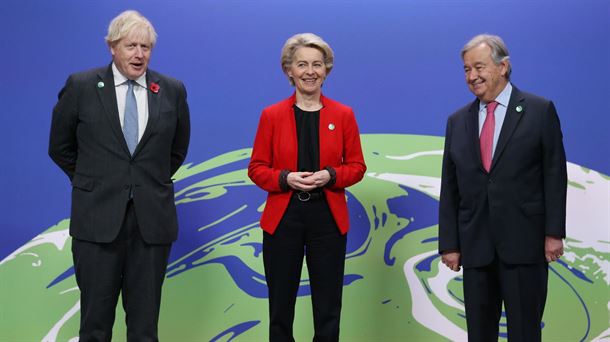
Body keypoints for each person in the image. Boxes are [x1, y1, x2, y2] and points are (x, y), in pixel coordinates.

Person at [48, 10, 190, 341]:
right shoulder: (81, 86)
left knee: (144, 328)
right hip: (97, 221)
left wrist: (143, 183)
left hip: (151, 224)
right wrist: (93, 180)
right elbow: (60, 146)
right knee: (95, 325)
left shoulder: (171, 90)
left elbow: (177, 150)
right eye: (131, 46)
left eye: (146, 47)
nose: (139, 54)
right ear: (113, 47)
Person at [438, 34, 567, 341]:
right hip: (476, 247)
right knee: (479, 334)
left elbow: (554, 174)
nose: (472, 76)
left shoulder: (539, 110)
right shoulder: (457, 121)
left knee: (524, 332)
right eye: (467, 69)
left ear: (504, 67)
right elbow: (451, 186)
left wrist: (553, 233)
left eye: (479, 67)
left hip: (525, 244)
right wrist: (450, 243)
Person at [248, 33, 366, 341]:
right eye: (302, 64)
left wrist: (330, 175)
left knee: (328, 307)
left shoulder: (343, 115)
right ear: (289, 70)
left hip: (327, 218)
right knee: (280, 308)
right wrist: (285, 178)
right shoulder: (271, 116)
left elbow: (357, 167)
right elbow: (256, 168)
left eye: (317, 64)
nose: (310, 71)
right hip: (283, 218)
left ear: (327, 69)